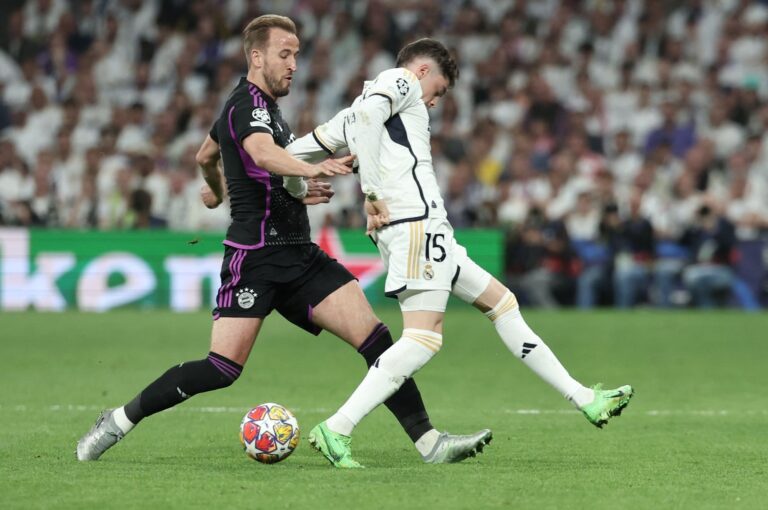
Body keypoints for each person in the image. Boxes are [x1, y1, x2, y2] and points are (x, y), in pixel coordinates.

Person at [76, 15, 489, 465]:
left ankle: (430, 444)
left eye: (296, 54)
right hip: (254, 258)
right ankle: (116, 420)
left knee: (376, 339)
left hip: (300, 255)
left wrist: (217, 187)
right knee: (221, 368)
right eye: (284, 54)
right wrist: (310, 169)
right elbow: (260, 152)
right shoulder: (245, 105)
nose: (294, 64)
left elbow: (206, 153)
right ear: (257, 57)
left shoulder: (268, 110)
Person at [284, 38, 634, 468]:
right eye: (440, 91)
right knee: (423, 340)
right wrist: (371, 191)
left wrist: (298, 188)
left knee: (503, 304)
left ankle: (584, 398)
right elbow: (373, 113)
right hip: (413, 225)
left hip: (432, 232)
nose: (433, 102)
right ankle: (338, 427)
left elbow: (291, 156)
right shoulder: (401, 81)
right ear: (425, 72)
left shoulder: (348, 119)